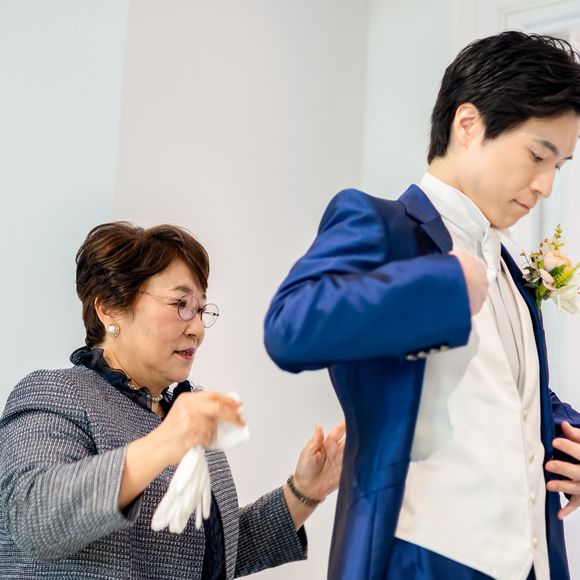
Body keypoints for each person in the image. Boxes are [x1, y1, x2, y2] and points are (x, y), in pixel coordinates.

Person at [264, 31, 580, 580]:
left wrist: (569, 436)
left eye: (561, 165)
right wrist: (445, 287)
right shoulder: (378, 223)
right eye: (537, 155)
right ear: (468, 125)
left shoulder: (511, 271)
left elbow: (507, 390)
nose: (546, 185)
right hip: (415, 560)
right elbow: (290, 325)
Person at [0, 222, 345, 579]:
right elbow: (33, 518)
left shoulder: (182, 411)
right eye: (180, 304)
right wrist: (167, 441)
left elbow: (206, 554)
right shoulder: (56, 393)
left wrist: (302, 492)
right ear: (110, 309)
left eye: (201, 310)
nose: (197, 329)